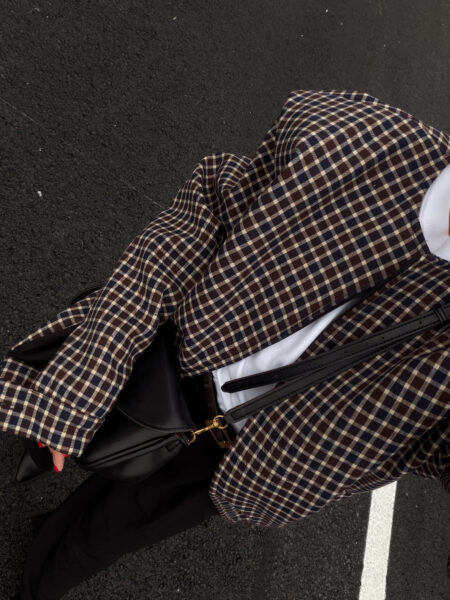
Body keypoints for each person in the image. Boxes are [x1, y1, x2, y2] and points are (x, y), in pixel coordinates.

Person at [1, 89, 448, 599]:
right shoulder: (367, 139)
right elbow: (194, 226)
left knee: (101, 538)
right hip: (167, 354)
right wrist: (79, 388)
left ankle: (41, 564)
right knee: (62, 419)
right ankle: (43, 442)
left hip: (246, 458)